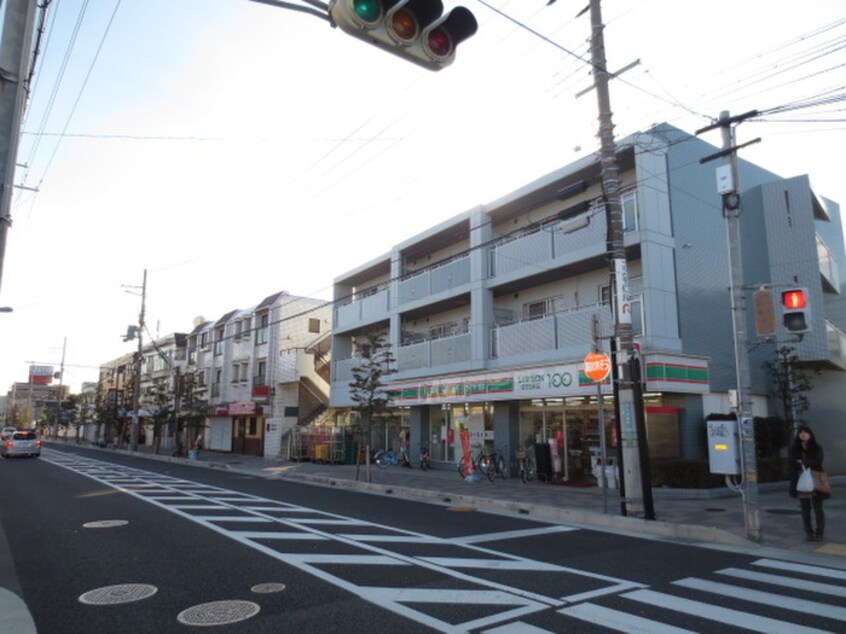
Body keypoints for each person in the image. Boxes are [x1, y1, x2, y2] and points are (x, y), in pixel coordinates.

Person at [788, 425, 828, 541]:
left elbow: (818, 461)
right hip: (801, 481)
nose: (803, 434)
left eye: (806, 432)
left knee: (818, 508)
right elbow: (792, 463)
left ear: (810, 434)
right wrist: (805, 463)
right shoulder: (794, 448)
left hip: (816, 480)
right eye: (801, 432)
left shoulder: (817, 448)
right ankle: (808, 533)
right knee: (805, 509)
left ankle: (819, 533)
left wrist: (803, 462)